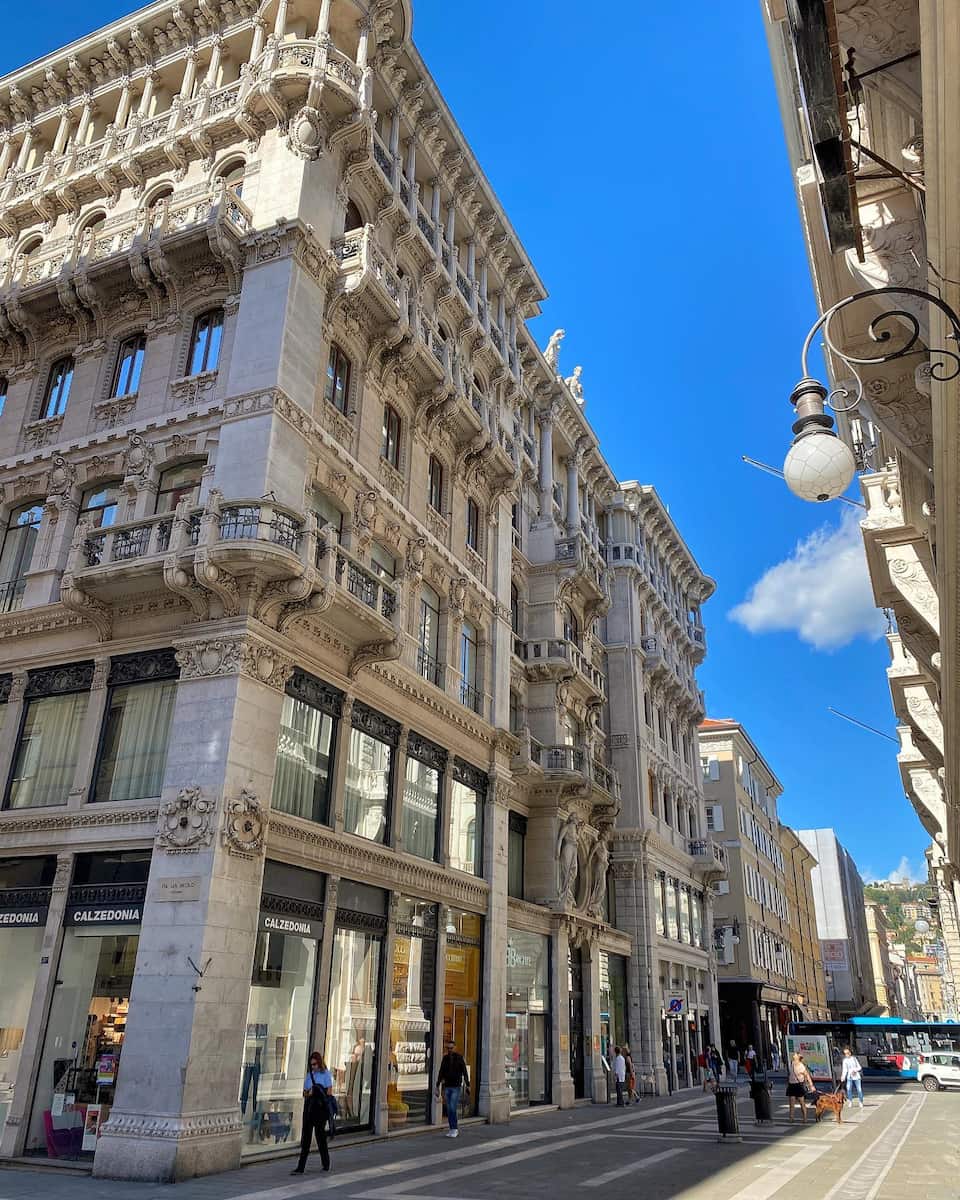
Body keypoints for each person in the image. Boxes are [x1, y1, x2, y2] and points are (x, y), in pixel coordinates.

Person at [291, 1051, 332, 1175]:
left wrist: (316, 1091)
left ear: (319, 1063)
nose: (313, 1067)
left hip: (320, 1110)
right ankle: (301, 1167)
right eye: (311, 1065)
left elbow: (329, 1092)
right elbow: (304, 1092)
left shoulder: (326, 1074)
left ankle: (326, 1163)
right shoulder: (309, 1075)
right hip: (309, 1108)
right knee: (306, 1139)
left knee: (321, 1138)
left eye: (315, 1064)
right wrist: (309, 1092)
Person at [435, 1039, 470, 1137]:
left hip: (456, 1086)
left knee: (452, 1107)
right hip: (447, 1086)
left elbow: (464, 1072)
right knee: (449, 1108)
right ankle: (451, 1128)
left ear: (455, 1048)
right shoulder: (445, 1058)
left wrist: (468, 1084)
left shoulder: (459, 1058)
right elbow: (441, 1071)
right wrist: (437, 1085)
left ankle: (454, 1128)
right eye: (448, 1048)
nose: (449, 1050)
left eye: (451, 1048)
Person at [786, 1052, 814, 1124]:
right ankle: (791, 1118)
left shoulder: (801, 1065)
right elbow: (790, 1074)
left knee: (801, 1102)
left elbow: (807, 1075)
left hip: (798, 1085)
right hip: (791, 1085)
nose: (793, 1055)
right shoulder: (791, 1063)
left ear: (798, 1057)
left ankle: (805, 1118)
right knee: (791, 1103)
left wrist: (811, 1085)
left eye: (795, 1054)